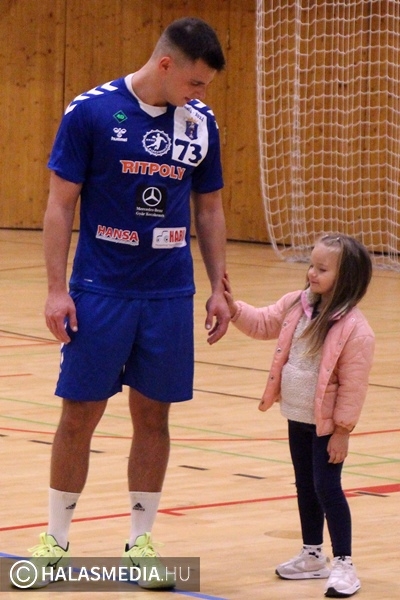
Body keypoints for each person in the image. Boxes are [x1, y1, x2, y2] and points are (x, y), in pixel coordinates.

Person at [26, 17, 230, 589]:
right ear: (165, 65)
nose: (200, 93)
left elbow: (210, 209)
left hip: (168, 294)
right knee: (79, 415)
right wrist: (56, 289)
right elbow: (59, 205)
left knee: (154, 417)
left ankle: (140, 542)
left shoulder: (200, 122)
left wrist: (219, 286)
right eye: (195, 82)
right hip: (100, 290)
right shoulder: (90, 112)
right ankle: (55, 539)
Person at [224, 234, 375, 598]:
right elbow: (263, 322)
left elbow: (352, 388)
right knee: (305, 485)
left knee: (327, 488)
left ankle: (344, 563)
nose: (311, 273)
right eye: (311, 265)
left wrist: (342, 431)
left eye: (322, 269)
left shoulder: (356, 330)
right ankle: (312, 555)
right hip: (297, 416)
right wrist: (234, 309)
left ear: (346, 277)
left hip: (327, 427)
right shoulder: (297, 304)